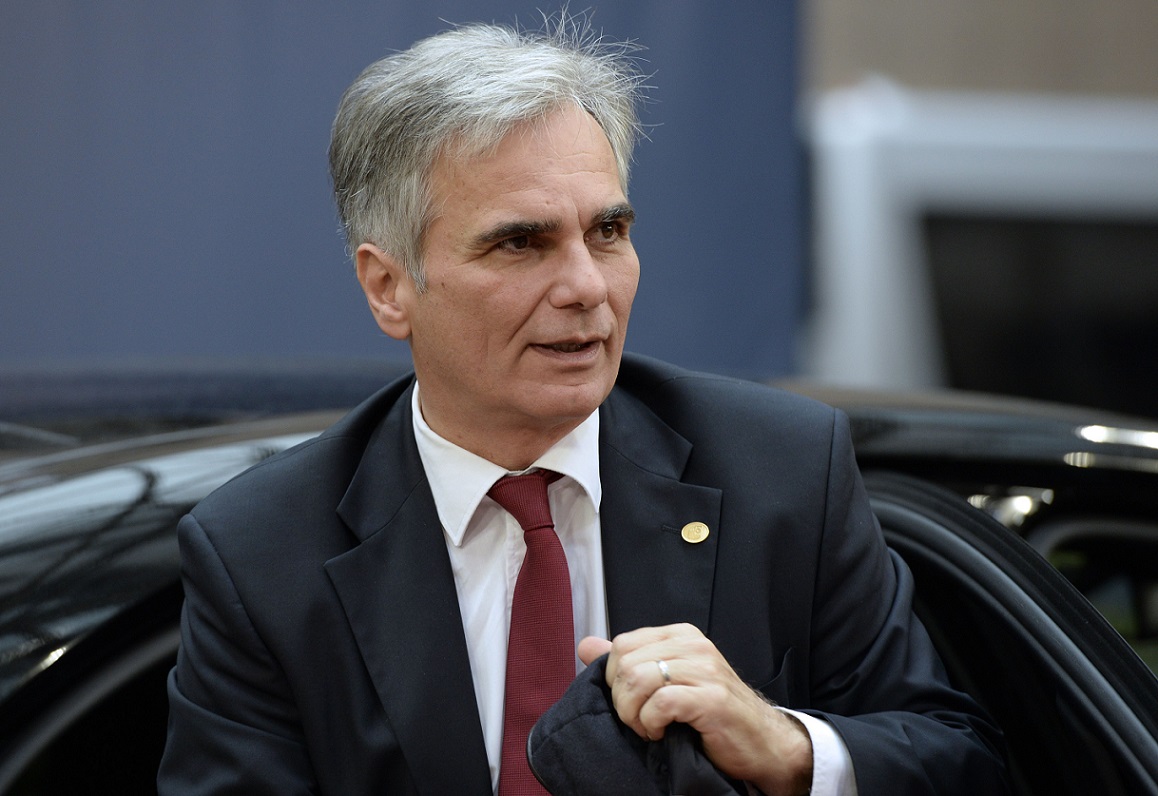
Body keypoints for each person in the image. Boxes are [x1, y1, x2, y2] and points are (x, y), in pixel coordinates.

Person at [158, 17, 1007, 796]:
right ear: (389, 287)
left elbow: (961, 761)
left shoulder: (782, 472)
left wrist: (784, 745)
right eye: (520, 242)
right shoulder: (263, 553)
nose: (586, 286)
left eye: (607, 232)